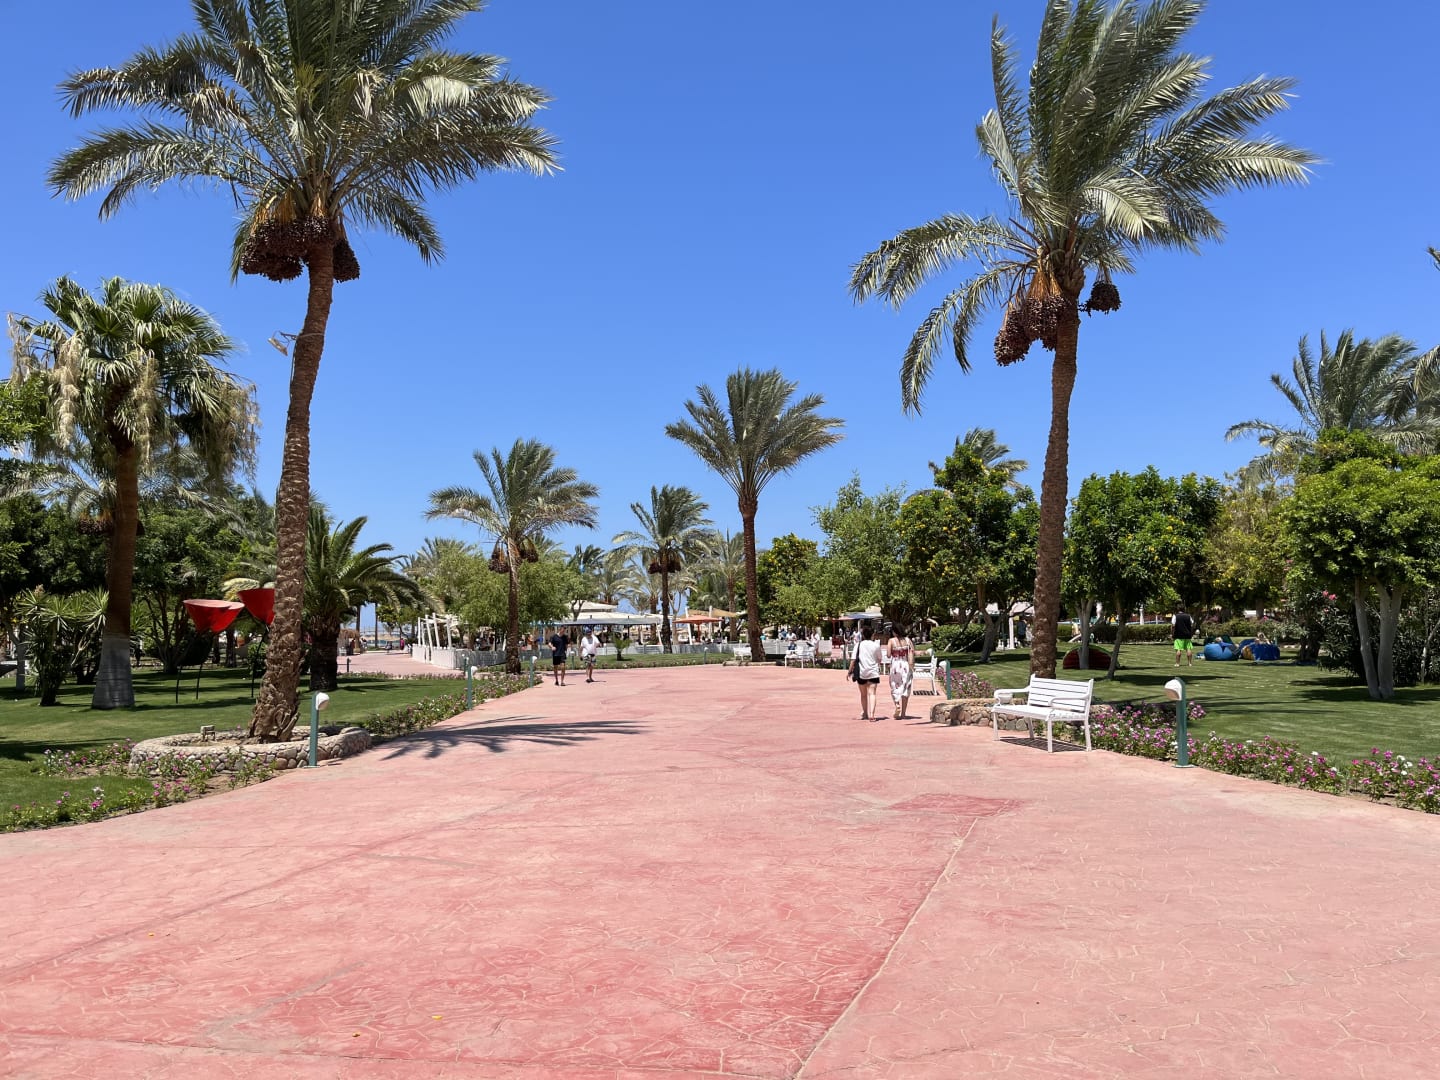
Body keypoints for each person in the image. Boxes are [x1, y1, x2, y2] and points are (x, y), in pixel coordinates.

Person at [851, 625, 885, 721]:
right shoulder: (876, 645)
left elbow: (853, 660)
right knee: (872, 693)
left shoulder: (858, 645)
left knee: (863, 695)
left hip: (862, 672)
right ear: (872, 635)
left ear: (862, 635)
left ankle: (865, 713)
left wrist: (849, 671)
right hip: (873, 672)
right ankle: (872, 714)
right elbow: (880, 659)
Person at [886, 622, 915, 720]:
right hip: (905, 665)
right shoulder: (908, 640)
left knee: (894, 685)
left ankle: (897, 704)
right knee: (906, 688)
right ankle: (903, 713)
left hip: (895, 666)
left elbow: (888, 655)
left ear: (894, 631)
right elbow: (912, 652)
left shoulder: (891, 641)